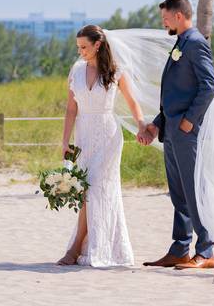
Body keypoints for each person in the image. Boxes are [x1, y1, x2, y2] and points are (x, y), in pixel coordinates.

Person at [56, 24, 148, 267]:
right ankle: (94, 246)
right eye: (78, 47)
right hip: (83, 135)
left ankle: (75, 248)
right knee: (86, 190)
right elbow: (71, 108)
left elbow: (132, 103)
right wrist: (65, 141)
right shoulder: (75, 71)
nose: (81, 52)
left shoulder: (115, 72)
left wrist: (141, 125)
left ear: (98, 45)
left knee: (95, 188)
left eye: (84, 47)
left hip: (108, 136)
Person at [138, 0, 214, 270]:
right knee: (178, 193)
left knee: (194, 190)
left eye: (166, 18)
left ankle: (206, 251)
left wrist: (189, 121)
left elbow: (209, 85)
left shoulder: (195, 44)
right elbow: (175, 95)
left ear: (180, 16)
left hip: (186, 132)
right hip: (171, 130)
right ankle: (180, 249)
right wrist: (158, 124)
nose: (163, 23)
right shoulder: (180, 43)